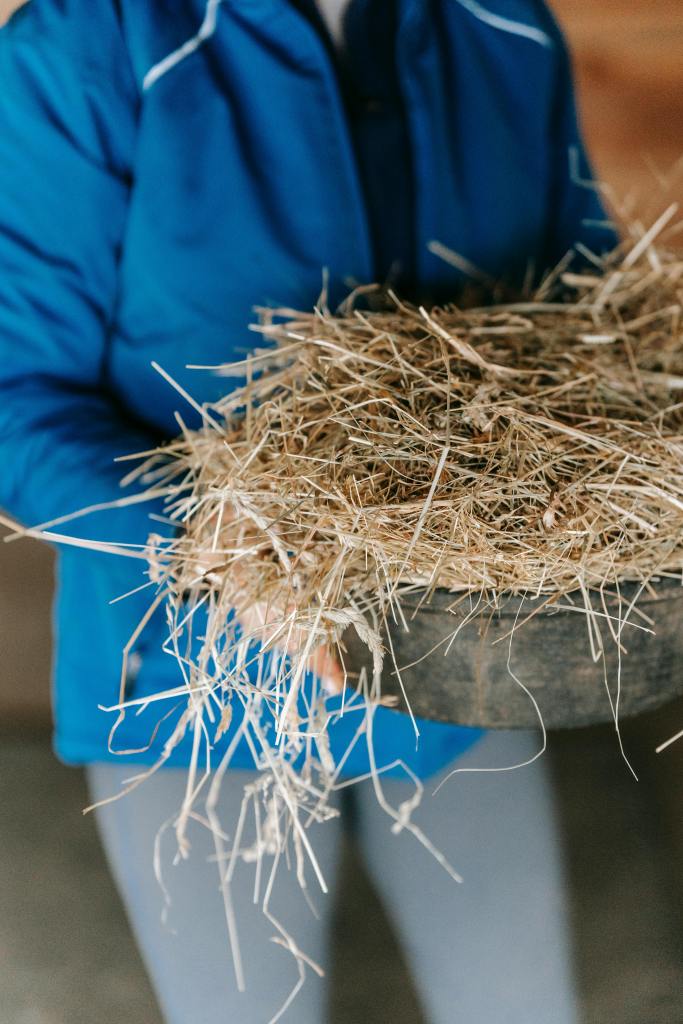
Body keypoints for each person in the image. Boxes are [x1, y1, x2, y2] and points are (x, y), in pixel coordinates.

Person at [0, 1, 617, 1021]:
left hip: (461, 666)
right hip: (191, 682)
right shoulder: (90, 44)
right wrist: (231, 550)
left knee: (520, 1004)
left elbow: (588, 314)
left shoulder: (500, 27)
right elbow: (17, 396)